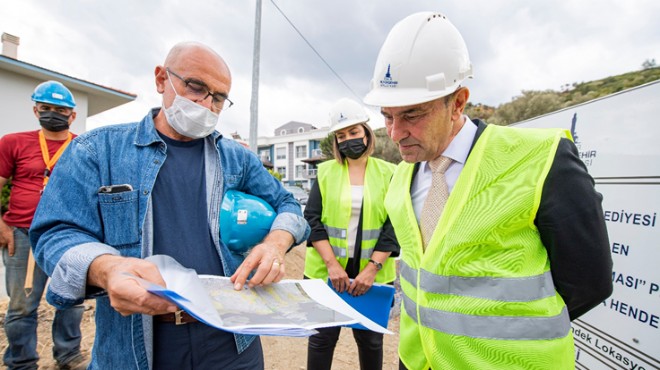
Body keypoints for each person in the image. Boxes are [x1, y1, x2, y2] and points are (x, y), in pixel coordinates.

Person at [29, 42, 310, 369]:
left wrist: (276, 243)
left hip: (231, 337)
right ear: (162, 79)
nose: (206, 104)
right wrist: (107, 269)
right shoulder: (96, 151)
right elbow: (55, 233)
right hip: (136, 346)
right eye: (196, 87)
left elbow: (288, 204)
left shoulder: (237, 159)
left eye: (218, 98)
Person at [363, 12, 613, 370]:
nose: (396, 131)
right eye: (387, 115)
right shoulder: (401, 179)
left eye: (412, 114)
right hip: (419, 361)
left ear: (459, 102)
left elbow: (590, 283)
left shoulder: (540, 159)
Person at [303, 98, 400, 370]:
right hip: (327, 275)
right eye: (341, 135)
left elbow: (394, 225)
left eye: (354, 132)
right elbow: (312, 219)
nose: (349, 140)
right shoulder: (324, 173)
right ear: (336, 141)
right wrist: (332, 265)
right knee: (321, 341)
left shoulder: (391, 173)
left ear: (367, 133)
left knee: (370, 343)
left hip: (373, 277)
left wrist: (372, 269)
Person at [0, 81, 89, 370]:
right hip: (23, 233)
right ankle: (21, 362)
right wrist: (2, 226)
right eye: (47, 108)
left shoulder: (81, 147)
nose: (53, 114)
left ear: (72, 115)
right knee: (22, 305)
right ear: (36, 110)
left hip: (67, 234)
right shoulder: (13, 143)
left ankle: (68, 355)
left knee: (72, 299)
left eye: (60, 110)